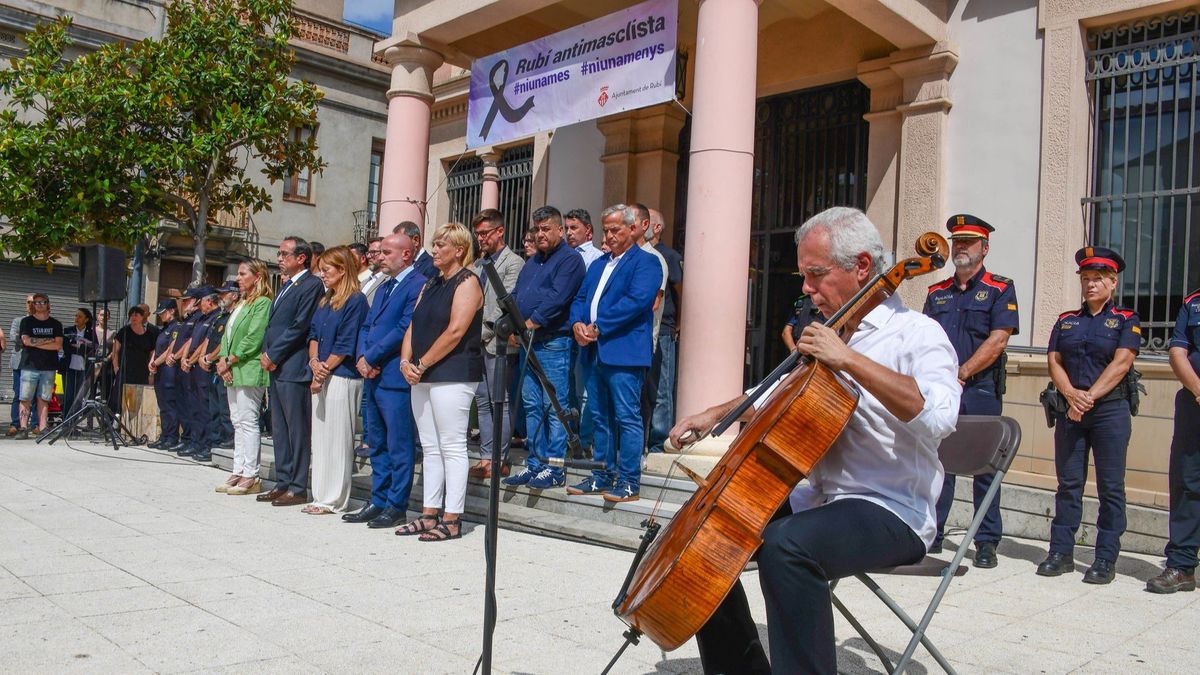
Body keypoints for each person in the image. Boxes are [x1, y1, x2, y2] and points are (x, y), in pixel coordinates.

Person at [671, 206, 960, 673]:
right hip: (823, 501)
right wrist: (719, 412)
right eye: (803, 275)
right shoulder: (832, 332)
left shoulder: (917, 334)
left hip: (892, 509)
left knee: (787, 545)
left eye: (816, 275)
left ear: (862, 266)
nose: (806, 288)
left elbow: (941, 417)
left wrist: (849, 360)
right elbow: (780, 392)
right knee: (709, 533)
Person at [1038, 246, 1140, 585]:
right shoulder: (1067, 321)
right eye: (1085, 279)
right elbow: (1054, 361)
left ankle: (1105, 558)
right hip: (1070, 410)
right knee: (1069, 485)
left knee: (1111, 488)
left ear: (1113, 283)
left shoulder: (1127, 319)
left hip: (1109, 409)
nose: (1090, 285)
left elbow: (1122, 362)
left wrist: (1087, 398)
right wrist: (1070, 395)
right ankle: (1061, 552)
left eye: (1098, 279)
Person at [923, 214, 1019, 568]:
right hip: (942, 390)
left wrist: (961, 373)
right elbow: (926, 340)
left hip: (979, 389)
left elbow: (999, 340)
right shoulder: (937, 293)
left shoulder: (999, 288)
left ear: (985, 248)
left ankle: (987, 540)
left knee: (986, 465)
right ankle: (933, 531)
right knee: (938, 461)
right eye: (956, 241)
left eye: (968, 241)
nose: (960, 247)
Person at [566, 204, 662, 502]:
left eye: (616, 230)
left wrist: (598, 327)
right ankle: (602, 474)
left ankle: (630, 480)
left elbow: (637, 302)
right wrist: (578, 324)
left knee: (626, 417)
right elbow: (581, 298)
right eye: (606, 229)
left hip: (623, 352)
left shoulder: (646, 263)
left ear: (634, 229)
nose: (609, 235)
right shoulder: (598, 264)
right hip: (594, 353)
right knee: (599, 416)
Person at [398, 222, 484, 541]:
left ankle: (452, 517)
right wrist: (406, 362)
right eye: (434, 245)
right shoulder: (431, 282)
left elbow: (456, 331)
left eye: (440, 245)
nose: (434, 250)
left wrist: (420, 363)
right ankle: (429, 512)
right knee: (431, 447)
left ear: (459, 250)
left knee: (452, 446)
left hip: (453, 373)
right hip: (422, 373)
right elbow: (413, 325)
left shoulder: (468, 281)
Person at [343, 232, 426, 528]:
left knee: (398, 444)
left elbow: (405, 327)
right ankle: (378, 500)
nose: (380, 257)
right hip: (372, 373)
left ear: (406, 254)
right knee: (376, 442)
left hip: (393, 375)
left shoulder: (417, 284)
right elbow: (367, 324)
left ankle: (396, 505)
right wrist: (362, 357)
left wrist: (373, 357)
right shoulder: (383, 286)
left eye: (387, 252)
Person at [503, 206, 586, 490]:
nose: (539, 234)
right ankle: (535, 463)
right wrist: (514, 326)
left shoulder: (570, 260)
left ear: (559, 230)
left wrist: (529, 323)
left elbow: (557, 298)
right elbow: (517, 295)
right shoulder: (532, 262)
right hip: (528, 342)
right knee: (531, 405)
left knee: (555, 405)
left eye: (545, 229)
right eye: (536, 229)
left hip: (553, 342)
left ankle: (555, 467)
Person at [258, 237, 324, 507]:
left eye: (285, 254)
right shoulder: (287, 285)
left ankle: (298, 486)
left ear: (301, 258)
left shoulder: (311, 284)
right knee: (280, 428)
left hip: (293, 366)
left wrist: (273, 354)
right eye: (279, 253)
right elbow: (274, 325)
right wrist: (267, 352)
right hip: (277, 367)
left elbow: (299, 326)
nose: (279, 258)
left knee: (297, 430)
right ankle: (283, 482)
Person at [304, 247, 368, 514]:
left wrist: (324, 369)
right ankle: (319, 494)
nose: (322, 274)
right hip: (323, 373)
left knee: (338, 439)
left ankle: (334, 499)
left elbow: (346, 342)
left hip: (343, 375)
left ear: (342, 270)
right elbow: (314, 335)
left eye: (327, 270)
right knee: (320, 438)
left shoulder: (356, 300)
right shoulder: (325, 301)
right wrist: (314, 363)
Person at [1148, 286, 1200, 593]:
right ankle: (1182, 566)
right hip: (1194, 403)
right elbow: (1178, 351)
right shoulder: (1193, 303)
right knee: (1187, 482)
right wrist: (1197, 389)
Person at [469, 209, 524, 479]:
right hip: (475, 343)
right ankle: (485, 457)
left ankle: (499, 458)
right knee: (482, 400)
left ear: (500, 231)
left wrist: (480, 332)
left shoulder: (513, 262)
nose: (480, 239)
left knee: (498, 400)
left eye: (485, 233)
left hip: (497, 342)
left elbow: (505, 303)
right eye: (477, 234)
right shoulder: (477, 265)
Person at [214, 260, 274, 496]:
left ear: (257, 276)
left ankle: (251, 473)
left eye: (242, 274)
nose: (238, 278)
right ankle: (238, 469)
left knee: (248, 421)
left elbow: (254, 336)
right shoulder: (241, 303)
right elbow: (227, 336)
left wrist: (231, 359)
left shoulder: (262, 303)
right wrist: (222, 359)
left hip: (248, 367)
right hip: (232, 367)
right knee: (237, 420)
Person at [645, 208, 684, 454]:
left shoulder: (668, 255)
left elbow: (681, 291)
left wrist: (678, 325)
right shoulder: (637, 254)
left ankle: (659, 443)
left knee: (661, 389)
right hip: (643, 332)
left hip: (665, 329)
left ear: (657, 227)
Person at [196, 281, 239, 456]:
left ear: (234, 295)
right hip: (214, 368)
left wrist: (210, 357)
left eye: (224, 293)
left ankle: (227, 440)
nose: (220, 297)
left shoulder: (234, 316)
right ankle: (214, 443)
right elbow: (211, 339)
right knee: (213, 408)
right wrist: (203, 358)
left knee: (224, 408)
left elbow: (225, 344)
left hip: (226, 368)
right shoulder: (221, 317)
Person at [178, 289, 220, 460]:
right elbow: (191, 340)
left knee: (205, 409)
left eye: (200, 301)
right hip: (193, 366)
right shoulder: (201, 317)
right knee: (194, 408)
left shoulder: (215, 317)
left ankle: (206, 444)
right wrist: (186, 358)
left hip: (203, 367)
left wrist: (192, 359)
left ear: (209, 301)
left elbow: (205, 342)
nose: (198, 305)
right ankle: (196, 442)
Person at [16, 293, 64, 439]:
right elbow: (26, 341)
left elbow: (58, 345)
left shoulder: (56, 324)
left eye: (42, 302)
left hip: (48, 367)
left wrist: (36, 342)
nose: (39, 304)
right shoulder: (26, 322)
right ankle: (23, 428)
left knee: (44, 398)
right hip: (29, 366)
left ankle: (43, 428)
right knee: (25, 398)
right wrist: (47, 340)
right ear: (33, 305)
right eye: (36, 302)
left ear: (48, 304)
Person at [147, 299, 183, 450]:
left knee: (170, 405)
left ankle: (172, 437)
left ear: (172, 311)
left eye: (163, 313)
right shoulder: (164, 328)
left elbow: (171, 349)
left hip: (169, 371)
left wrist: (156, 362)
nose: (161, 316)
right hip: (159, 371)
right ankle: (165, 435)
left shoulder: (177, 327)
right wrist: (152, 361)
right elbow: (158, 347)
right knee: (163, 406)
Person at [60, 308, 97, 417]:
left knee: (79, 397)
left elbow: (93, 348)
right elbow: (67, 348)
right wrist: (83, 347)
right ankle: (66, 421)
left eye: (80, 316)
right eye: (75, 316)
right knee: (69, 395)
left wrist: (80, 346)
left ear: (86, 319)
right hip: (69, 366)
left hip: (83, 368)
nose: (76, 318)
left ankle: (74, 421)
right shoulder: (68, 331)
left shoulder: (90, 332)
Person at [112, 306, 161, 388]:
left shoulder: (149, 335)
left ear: (142, 317)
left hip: (142, 373)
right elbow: (115, 351)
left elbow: (152, 354)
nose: (133, 317)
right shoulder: (123, 331)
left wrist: (151, 374)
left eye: (136, 315)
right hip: (125, 372)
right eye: (131, 315)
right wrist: (116, 368)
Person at [7, 296, 34, 435]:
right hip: (19, 361)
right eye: (28, 302)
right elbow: (13, 337)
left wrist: (27, 339)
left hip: (34, 362)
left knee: (34, 395)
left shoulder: (39, 322)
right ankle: (15, 423)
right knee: (18, 394)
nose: (30, 305)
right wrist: (30, 340)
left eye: (33, 302)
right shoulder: (18, 320)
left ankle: (35, 424)